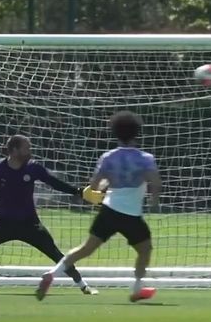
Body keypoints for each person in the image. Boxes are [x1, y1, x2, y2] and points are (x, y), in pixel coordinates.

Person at [0, 134, 103, 294]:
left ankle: (83, 285)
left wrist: (79, 192)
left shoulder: (33, 168)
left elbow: (54, 182)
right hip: (2, 224)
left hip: (30, 224)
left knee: (55, 253)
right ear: (14, 150)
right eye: (27, 148)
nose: (30, 152)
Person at [36, 111, 161, 302]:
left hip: (109, 210)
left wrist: (105, 186)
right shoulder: (145, 158)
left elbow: (94, 186)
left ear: (115, 132)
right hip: (131, 215)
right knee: (145, 249)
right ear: (137, 132)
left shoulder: (108, 157)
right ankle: (136, 289)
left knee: (86, 248)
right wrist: (153, 199)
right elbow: (155, 182)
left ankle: (53, 273)